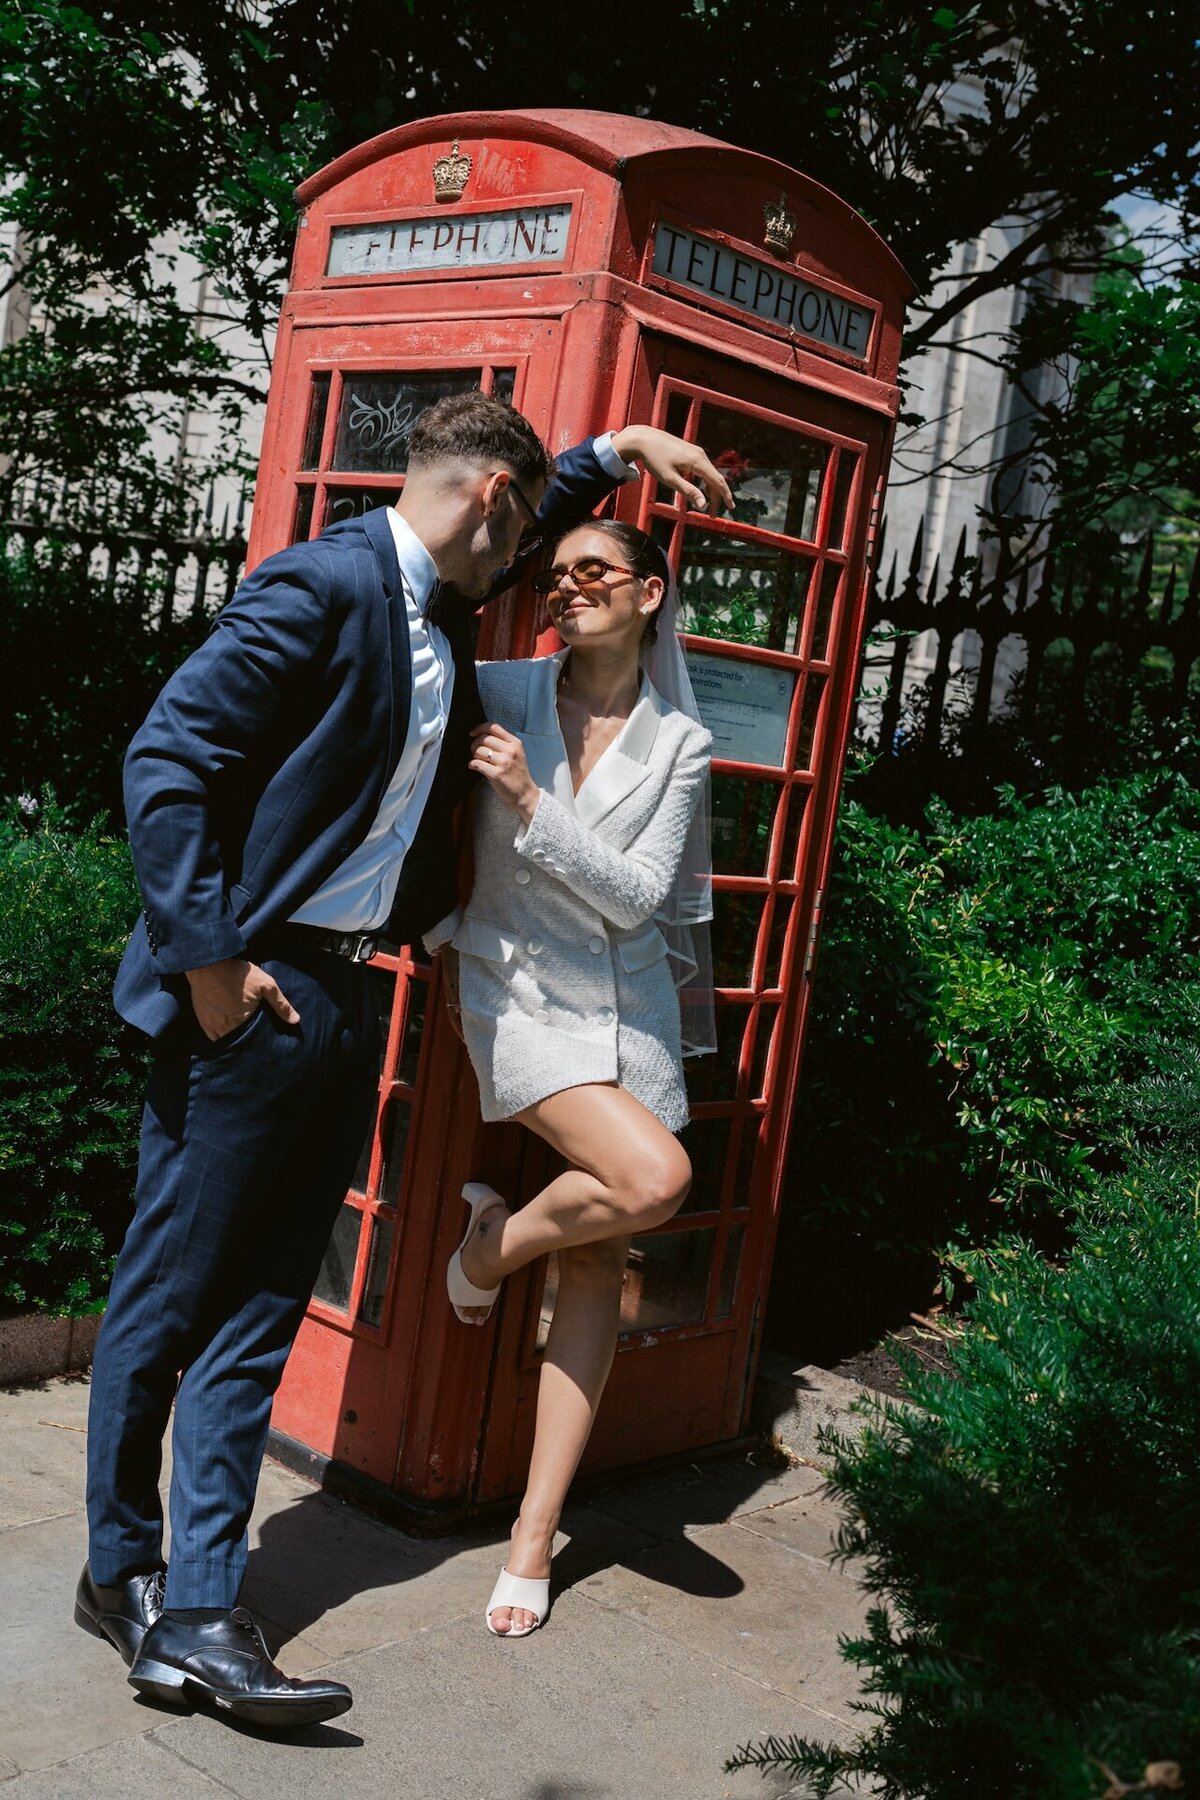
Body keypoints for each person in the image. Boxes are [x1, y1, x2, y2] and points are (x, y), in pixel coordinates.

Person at [77, 392, 733, 1730]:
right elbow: (167, 758)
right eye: (522, 532)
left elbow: (529, 516)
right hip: (252, 986)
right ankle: (123, 1567)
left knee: (265, 1301)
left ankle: (197, 1609)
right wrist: (210, 965)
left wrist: (615, 454)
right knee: (170, 1295)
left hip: (346, 990)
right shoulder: (320, 587)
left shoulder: (441, 597)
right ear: (488, 501)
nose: (533, 574)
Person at [426, 517, 715, 1638]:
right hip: (516, 994)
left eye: (596, 570)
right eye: (556, 573)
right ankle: (490, 1248)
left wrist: (532, 804)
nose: (570, 586)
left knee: (596, 1262)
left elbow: (640, 899)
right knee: (652, 1181)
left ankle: (534, 1535)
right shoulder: (500, 687)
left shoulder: (680, 741)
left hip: (631, 1013)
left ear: (649, 594)